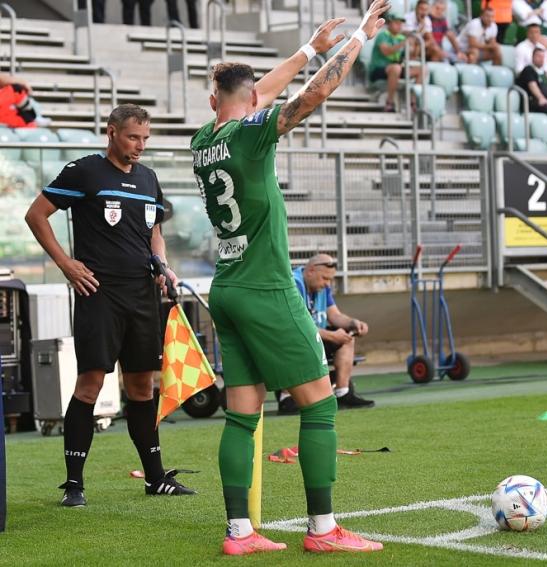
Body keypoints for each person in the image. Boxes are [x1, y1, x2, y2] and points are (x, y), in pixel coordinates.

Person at [190, 1, 389, 555]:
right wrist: (358, 40)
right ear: (249, 101)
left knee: (242, 413)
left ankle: (239, 534)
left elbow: (262, 94)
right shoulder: (254, 132)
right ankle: (324, 531)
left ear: (214, 102)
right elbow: (310, 96)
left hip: (225, 289)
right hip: (267, 287)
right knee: (321, 405)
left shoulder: (204, 140)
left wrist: (308, 49)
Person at [24, 104, 195, 508]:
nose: (140, 146)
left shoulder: (149, 178)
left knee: (142, 386)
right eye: (133, 137)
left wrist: (162, 265)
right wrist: (67, 264)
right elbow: (36, 215)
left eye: (145, 139)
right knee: (91, 384)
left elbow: (154, 229)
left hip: (141, 295)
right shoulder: (84, 171)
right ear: (112, 132)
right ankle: (74, 484)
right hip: (98, 292)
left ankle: (155, 479)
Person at [277, 255, 375, 414]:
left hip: (314, 337)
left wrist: (353, 323)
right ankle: (286, 398)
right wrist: (331, 336)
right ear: (310, 271)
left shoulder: (322, 288)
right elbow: (296, 326)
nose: (327, 284)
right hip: (292, 339)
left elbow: (334, 315)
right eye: (324, 278)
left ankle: (343, 393)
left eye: (330, 279)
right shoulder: (294, 285)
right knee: (300, 341)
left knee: (346, 339)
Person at [369, 13, 422, 112]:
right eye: (396, 23)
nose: (399, 26)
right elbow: (386, 51)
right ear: (389, 23)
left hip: (395, 69)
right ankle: (389, 102)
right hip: (378, 69)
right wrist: (403, 43)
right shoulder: (382, 35)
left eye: (400, 24)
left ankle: (413, 102)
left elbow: (413, 56)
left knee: (422, 70)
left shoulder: (401, 38)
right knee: (396, 68)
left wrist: (416, 44)